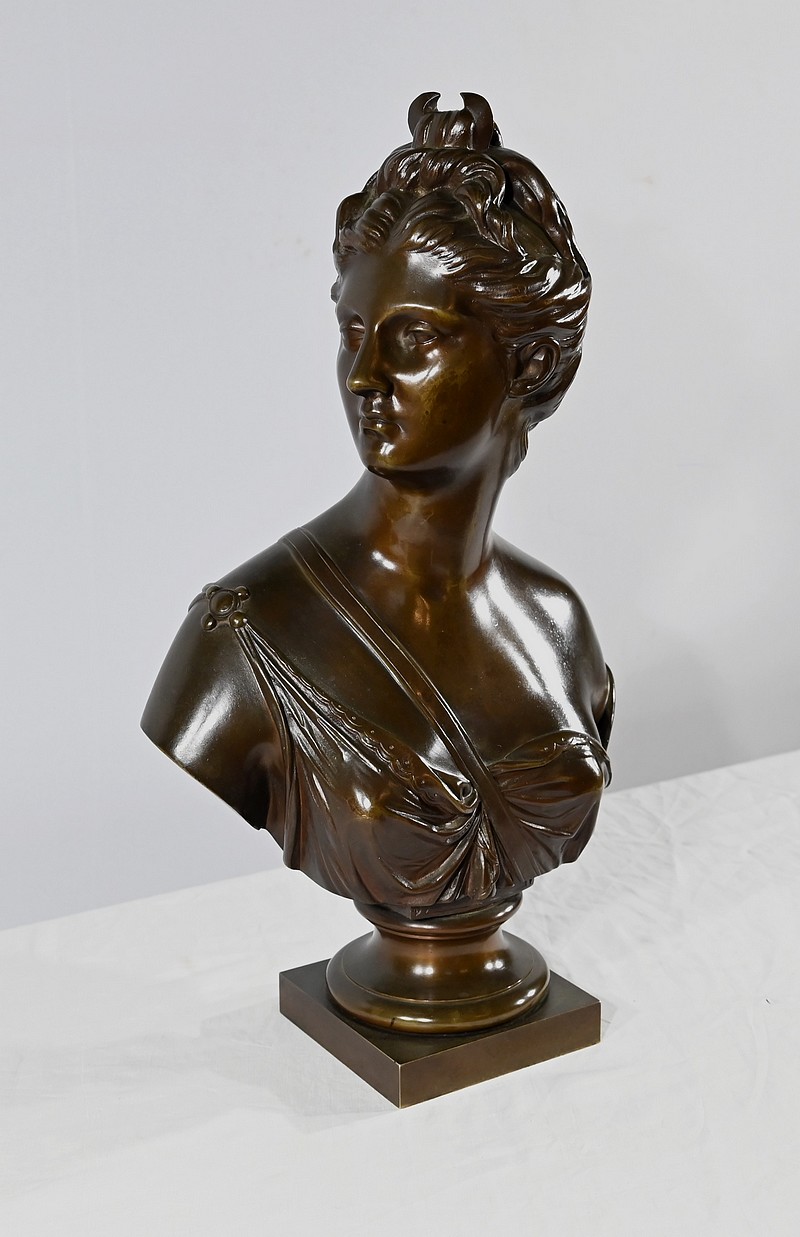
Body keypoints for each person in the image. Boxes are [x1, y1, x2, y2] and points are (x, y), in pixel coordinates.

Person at [142, 93, 613, 922]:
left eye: (414, 339)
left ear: (530, 363)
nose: (364, 376)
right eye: (353, 332)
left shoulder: (559, 623)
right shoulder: (243, 638)